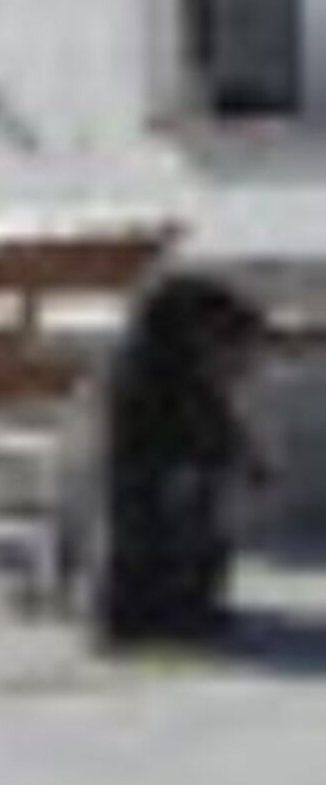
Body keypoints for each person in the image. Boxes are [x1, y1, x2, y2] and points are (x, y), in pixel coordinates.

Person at [34, 271, 273, 646]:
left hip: (152, 542)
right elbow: (109, 501)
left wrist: (245, 462)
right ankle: (149, 602)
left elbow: (225, 443)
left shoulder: (188, 387)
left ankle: (176, 599)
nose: (242, 370)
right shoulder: (128, 395)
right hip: (120, 555)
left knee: (203, 494)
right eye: (235, 354)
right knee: (148, 503)